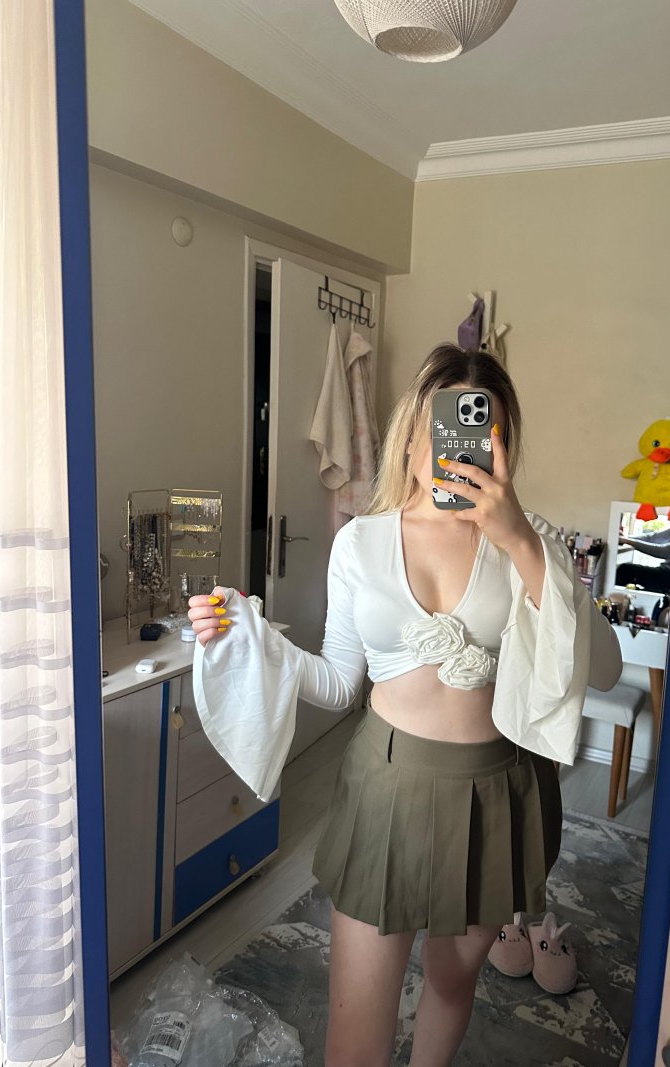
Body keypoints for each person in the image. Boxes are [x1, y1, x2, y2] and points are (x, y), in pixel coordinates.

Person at [187, 344, 621, 1067]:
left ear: (503, 447)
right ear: (413, 436)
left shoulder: (531, 539)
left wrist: (520, 541)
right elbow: (338, 683)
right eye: (443, 427)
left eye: (484, 434)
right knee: (356, 1036)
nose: (459, 449)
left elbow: (603, 668)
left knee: (452, 985)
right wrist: (252, 638)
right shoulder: (361, 542)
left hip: (498, 792)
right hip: (385, 790)